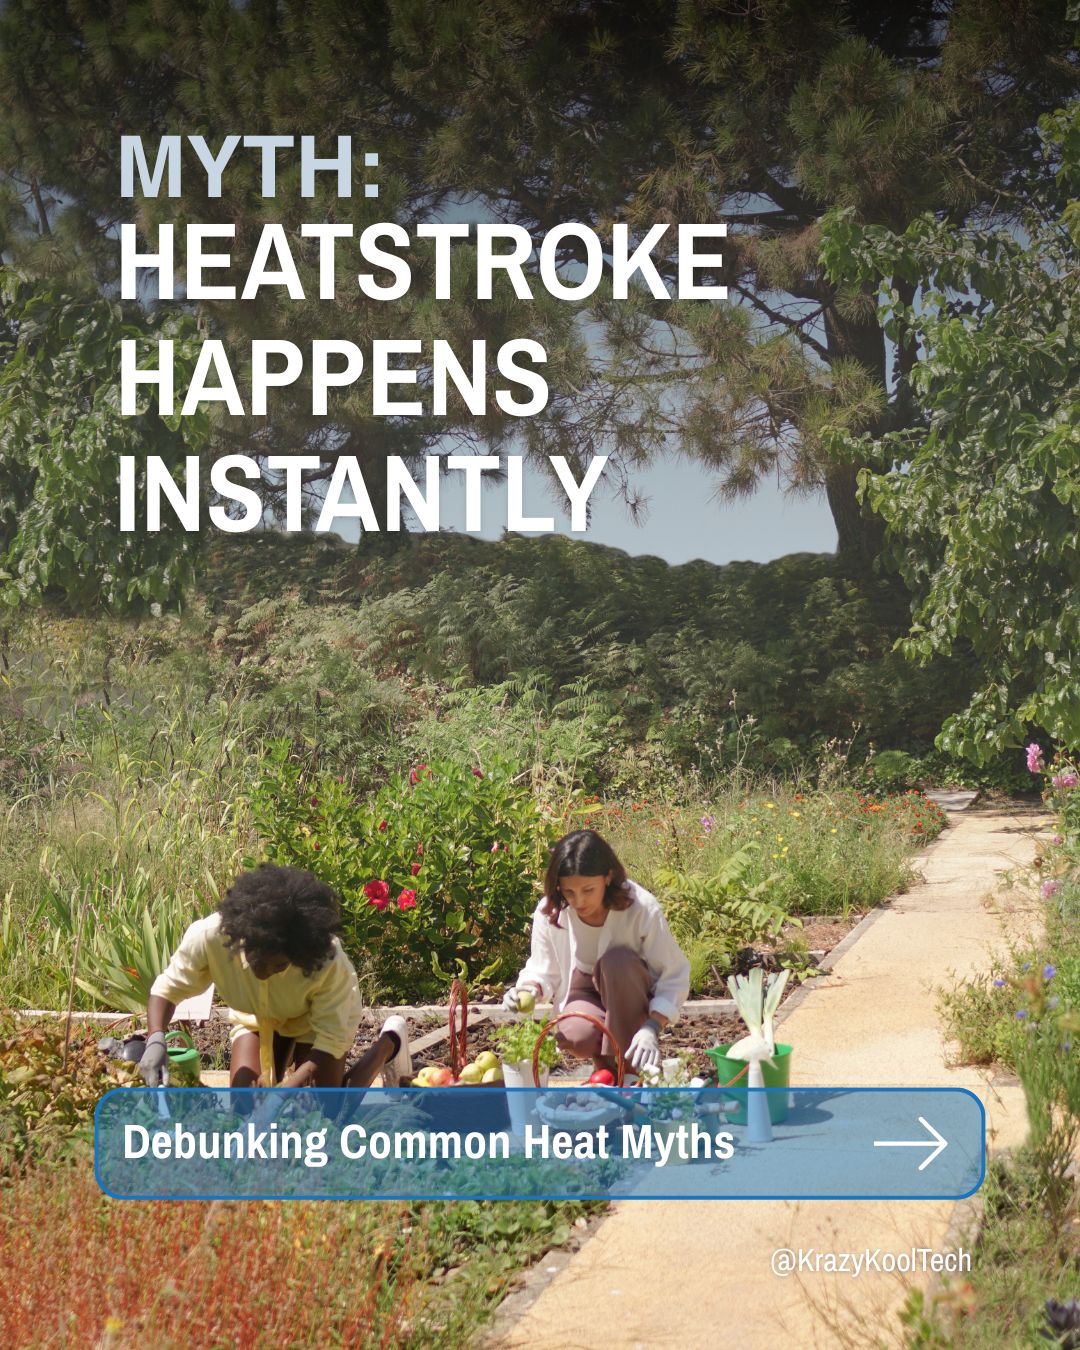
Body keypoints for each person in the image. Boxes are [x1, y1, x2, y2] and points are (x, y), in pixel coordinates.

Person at [140, 863, 411, 1090]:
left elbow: (329, 1042)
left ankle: (389, 1043)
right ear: (241, 939)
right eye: (258, 960)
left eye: (280, 965)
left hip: (315, 1024)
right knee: (246, 1107)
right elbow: (167, 988)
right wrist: (155, 1038)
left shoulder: (326, 960)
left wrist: (283, 1094)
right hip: (256, 1018)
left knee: (321, 1111)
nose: (267, 971)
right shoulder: (210, 937)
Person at [502, 829, 690, 1076]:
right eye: (569, 891)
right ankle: (604, 1069)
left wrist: (652, 1026)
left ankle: (632, 1070)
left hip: (629, 988)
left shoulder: (641, 908)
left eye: (588, 890)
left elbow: (673, 975)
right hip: (582, 988)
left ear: (608, 877)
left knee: (617, 962)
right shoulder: (550, 911)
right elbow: (543, 970)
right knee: (575, 1036)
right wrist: (525, 991)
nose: (579, 901)